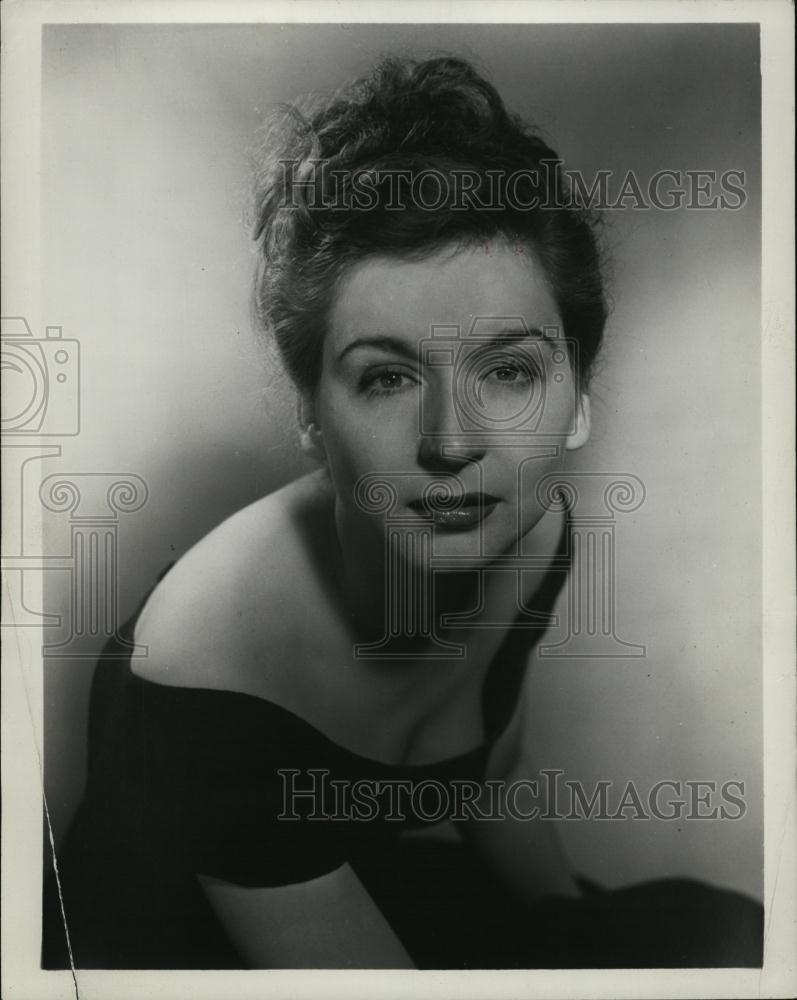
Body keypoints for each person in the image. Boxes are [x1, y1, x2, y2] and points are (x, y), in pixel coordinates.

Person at [42, 56, 762, 970]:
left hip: (365, 891)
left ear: (578, 394)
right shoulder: (210, 676)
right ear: (310, 412)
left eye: (507, 371)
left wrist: (579, 936)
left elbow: (492, 771)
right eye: (386, 376)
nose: (452, 443)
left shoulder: (533, 534)